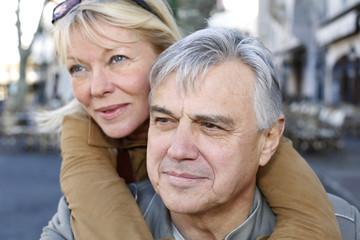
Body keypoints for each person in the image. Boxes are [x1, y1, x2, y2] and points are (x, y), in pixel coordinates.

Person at [39, 0, 341, 239]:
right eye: (78, 68)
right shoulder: (82, 128)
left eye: (117, 59)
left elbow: (312, 222)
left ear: (167, 53)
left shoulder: (251, 127)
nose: (96, 88)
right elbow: (104, 219)